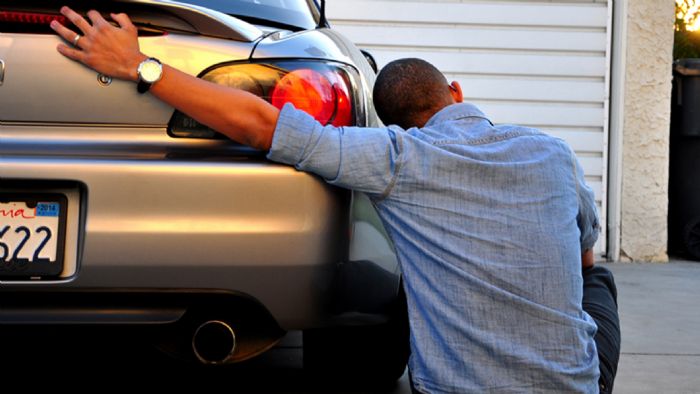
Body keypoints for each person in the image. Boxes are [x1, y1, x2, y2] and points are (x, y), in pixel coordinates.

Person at [50, 7, 620, 393]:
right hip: (576, 385)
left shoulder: (396, 158)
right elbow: (584, 254)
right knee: (594, 274)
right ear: (456, 94)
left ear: (391, 124)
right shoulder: (553, 153)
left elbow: (257, 122)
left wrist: (139, 64)